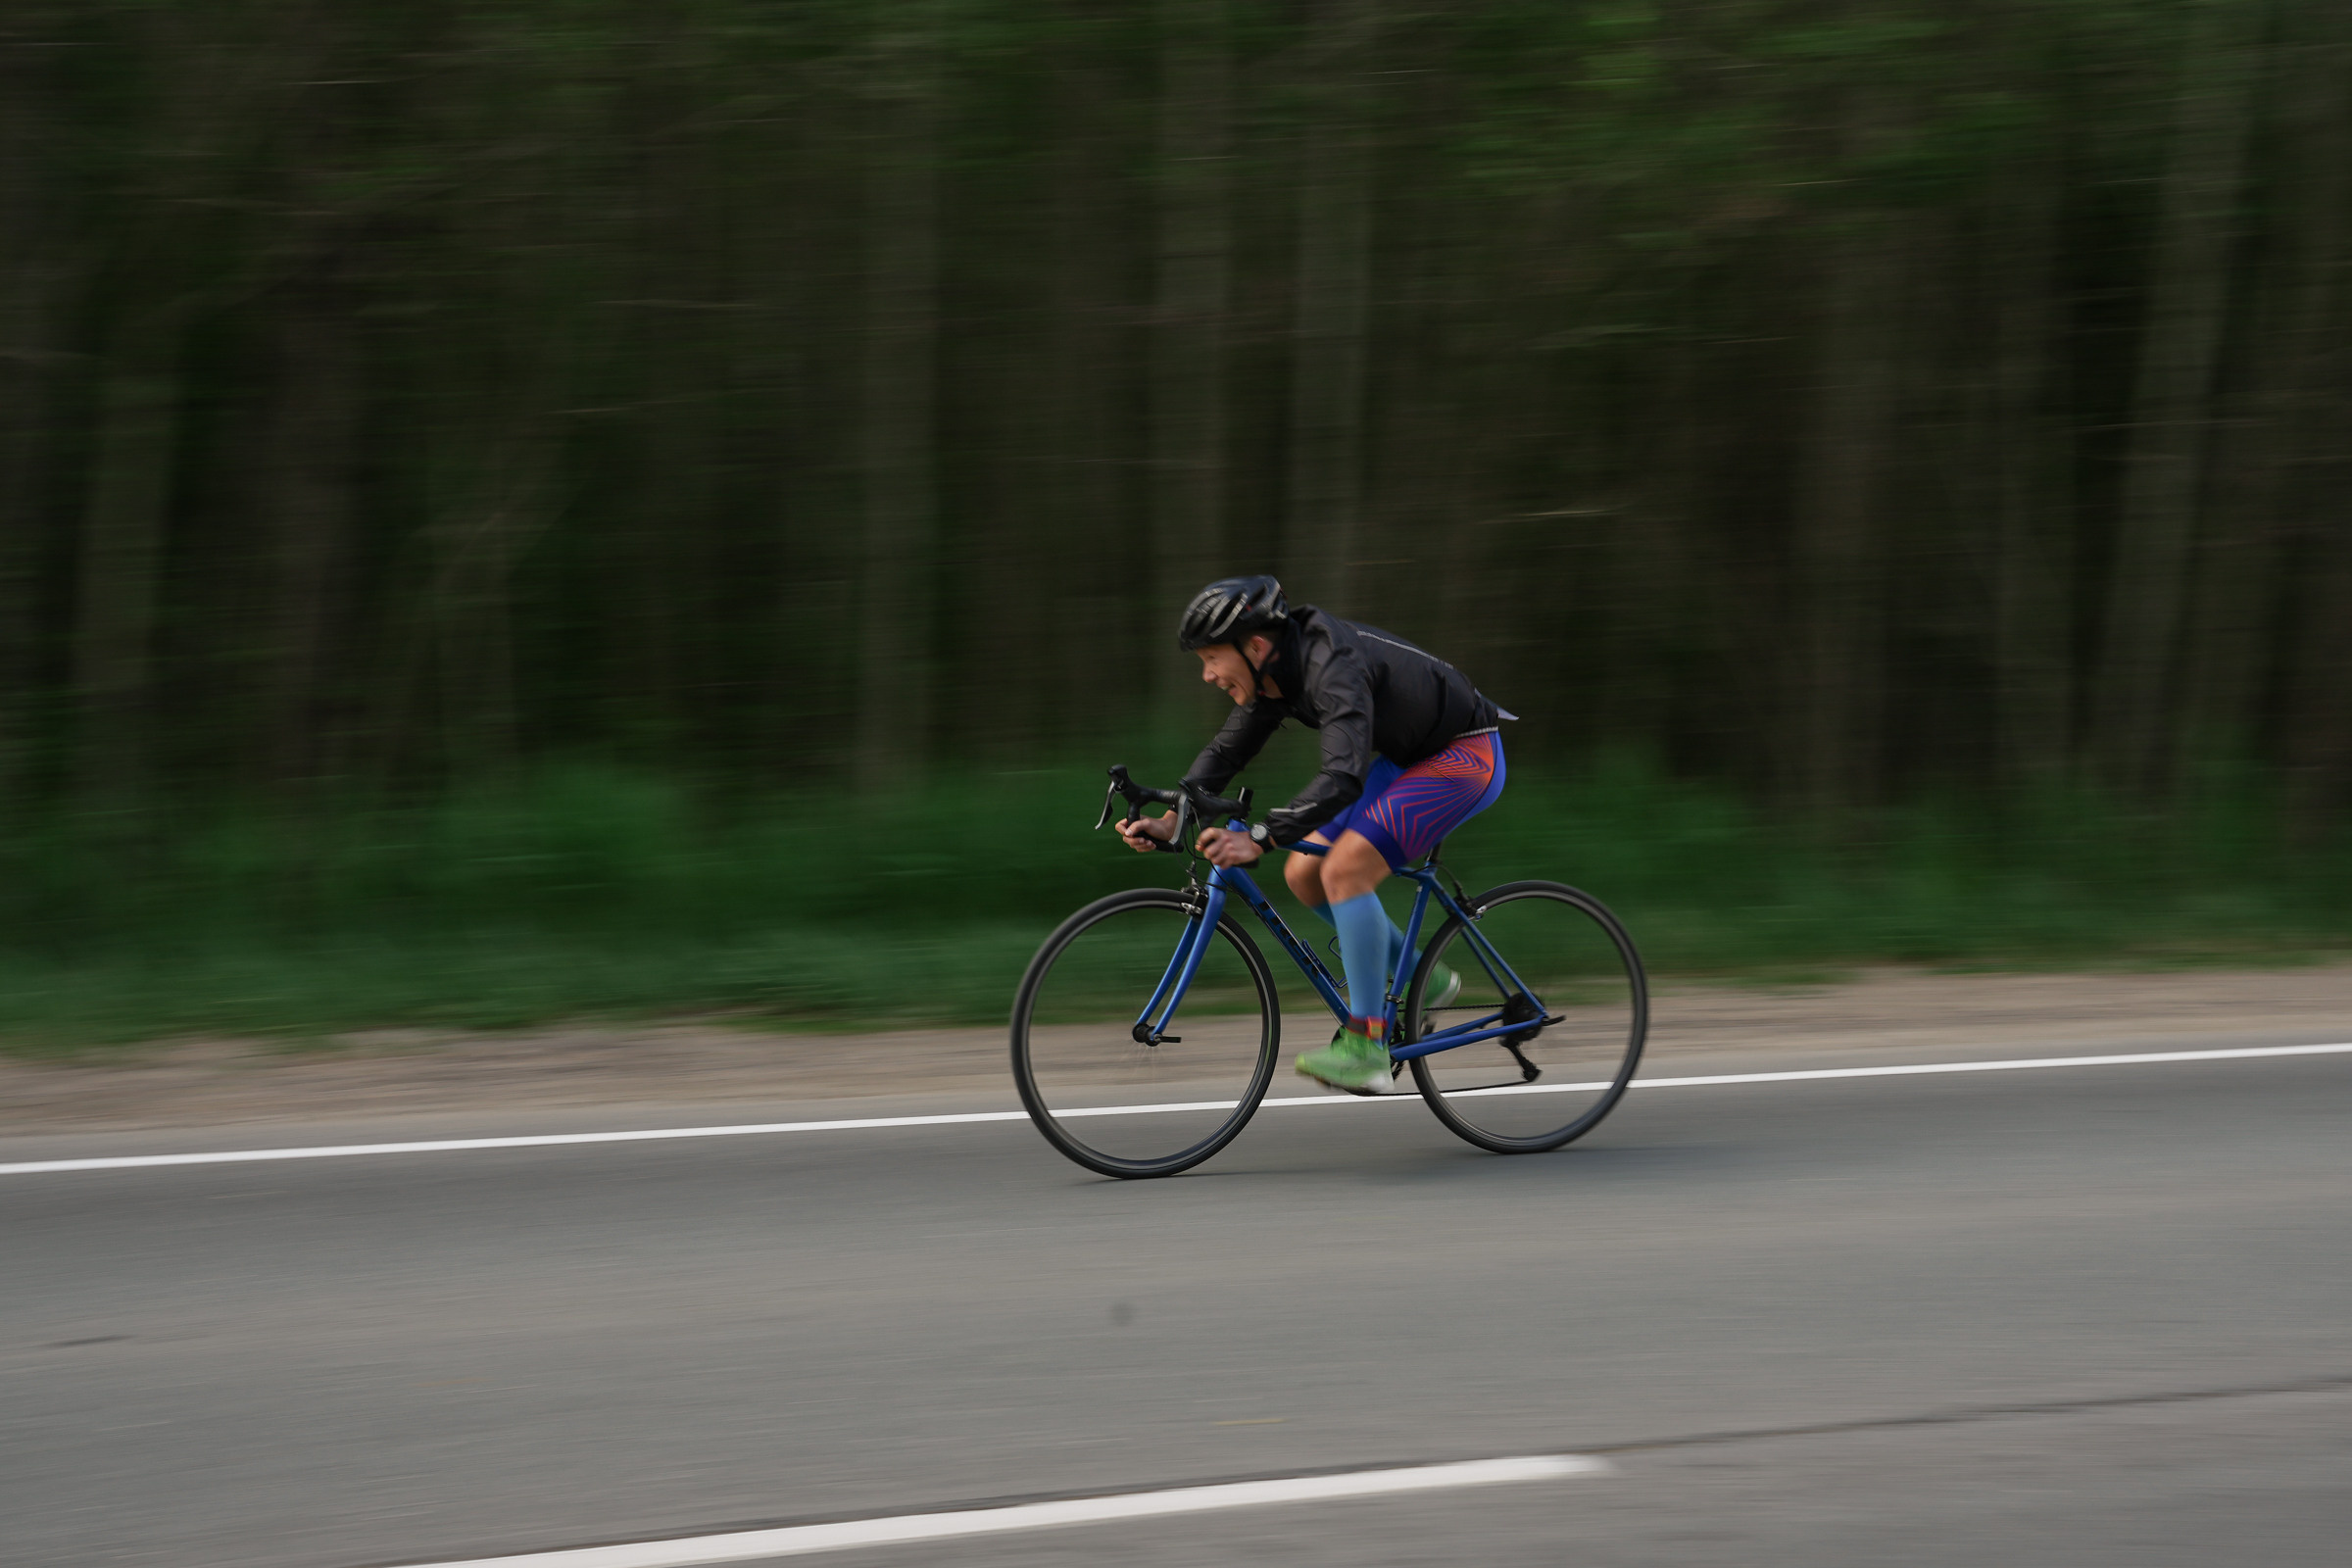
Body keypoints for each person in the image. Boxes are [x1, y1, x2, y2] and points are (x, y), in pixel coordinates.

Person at [1118, 575, 1511, 1093]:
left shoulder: (1332, 664)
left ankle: (1367, 1046)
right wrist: (1178, 815)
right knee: (1304, 872)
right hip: (1408, 761)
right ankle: (1424, 976)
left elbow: (1343, 777)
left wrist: (1259, 835)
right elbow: (1228, 750)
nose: (1208, 675)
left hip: (1463, 757)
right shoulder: (1276, 671)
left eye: (1212, 658)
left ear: (1255, 646)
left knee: (1346, 869)